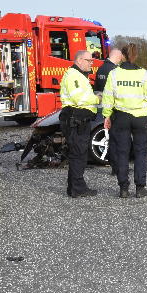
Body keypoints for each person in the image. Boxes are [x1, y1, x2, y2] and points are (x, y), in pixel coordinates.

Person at [102, 44, 147, 198]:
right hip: (141, 118)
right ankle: (140, 188)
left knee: (122, 153)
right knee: (140, 152)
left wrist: (106, 116)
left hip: (121, 117)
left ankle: (123, 189)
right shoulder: (144, 75)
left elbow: (108, 98)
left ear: (122, 55)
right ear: (136, 56)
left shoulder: (114, 74)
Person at [59, 50, 100, 197]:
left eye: (92, 61)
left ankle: (74, 187)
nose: (91, 63)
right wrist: (97, 99)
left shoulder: (78, 75)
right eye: (89, 61)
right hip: (76, 120)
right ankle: (78, 188)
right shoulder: (74, 76)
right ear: (79, 60)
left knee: (78, 153)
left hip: (78, 119)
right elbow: (80, 99)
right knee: (79, 154)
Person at [93, 48, 124, 175]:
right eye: (120, 57)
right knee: (117, 139)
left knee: (110, 138)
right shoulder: (114, 70)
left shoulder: (101, 68)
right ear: (117, 56)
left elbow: (97, 90)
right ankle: (117, 167)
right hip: (113, 109)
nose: (121, 59)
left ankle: (113, 166)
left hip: (102, 108)